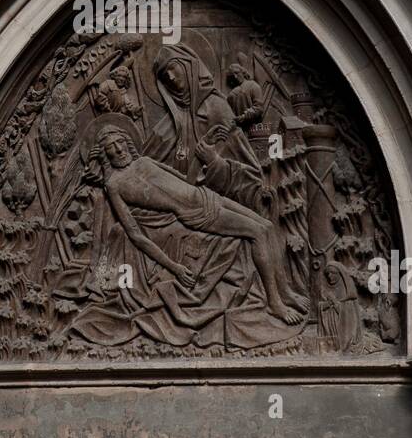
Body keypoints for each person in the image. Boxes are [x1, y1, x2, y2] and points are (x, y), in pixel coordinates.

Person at [96, 125, 304, 325]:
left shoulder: (145, 161)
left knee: (267, 225)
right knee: (258, 232)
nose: (119, 149)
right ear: (105, 155)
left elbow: (188, 180)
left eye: (120, 142)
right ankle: (275, 303)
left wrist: (202, 148)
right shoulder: (114, 185)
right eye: (111, 147)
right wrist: (174, 267)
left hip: (207, 196)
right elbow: (136, 235)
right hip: (197, 214)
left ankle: (285, 293)